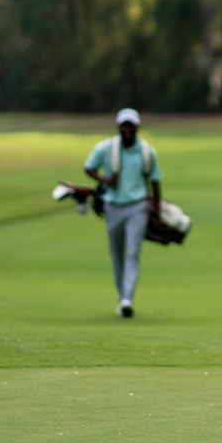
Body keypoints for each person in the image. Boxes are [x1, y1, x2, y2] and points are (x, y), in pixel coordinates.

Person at [85, 108, 163, 319]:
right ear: (119, 127)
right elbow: (89, 167)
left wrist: (155, 209)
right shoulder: (106, 148)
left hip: (138, 206)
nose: (127, 129)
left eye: (131, 125)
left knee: (132, 251)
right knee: (117, 254)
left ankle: (128, 298)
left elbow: (154, 181)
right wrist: (105, 180)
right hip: (113, 207)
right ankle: (122, 297)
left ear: (137, 127)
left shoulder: (147, 152)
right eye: (124, 125)